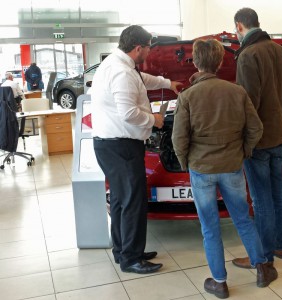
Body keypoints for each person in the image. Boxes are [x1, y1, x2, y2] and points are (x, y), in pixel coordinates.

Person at [172, 39, 278, 299]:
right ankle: (262, 268)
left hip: (202, 169)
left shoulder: (187, 97)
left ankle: (219, 282)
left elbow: (179, 139)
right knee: (242, 219)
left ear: (195, 62)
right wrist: (243, 151)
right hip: (232, 166)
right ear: (220, 62)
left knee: (209, 227)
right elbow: (256, 129)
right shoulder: (237, 92)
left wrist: (186, 163)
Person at [90, 25, 182, 274]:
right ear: (138, 47)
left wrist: (168, 82)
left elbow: (143, 81)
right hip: (121, 146)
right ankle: (131, 258)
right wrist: (154, 119)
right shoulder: (121, 72)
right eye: (149, 48)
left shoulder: (118, 65)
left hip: (112, 145)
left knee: (121, 200)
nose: (150, 53)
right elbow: (129, 113)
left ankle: (124, 250)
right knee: (132, 201)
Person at [232, 8, 282, 269]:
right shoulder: (279, 50)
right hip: (279, 134)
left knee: (261, 197)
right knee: (279, 191)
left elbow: (249, 103)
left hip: (257, 140)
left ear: (239, 26)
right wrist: (281, 119)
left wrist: (245, 137)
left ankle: (263, 254)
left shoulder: (248, 55)